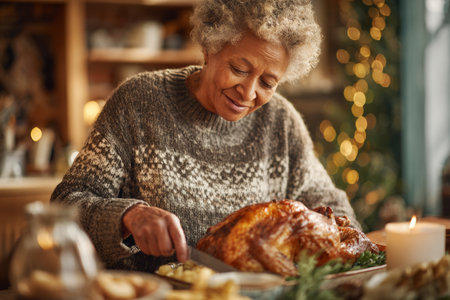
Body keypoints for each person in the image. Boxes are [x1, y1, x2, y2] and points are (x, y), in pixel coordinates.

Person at [51, 0, 360, 272]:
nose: (249, 92)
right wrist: (128, 216)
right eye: (239, 68)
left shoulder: (281, 122)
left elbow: (335, 210)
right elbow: (64, 206)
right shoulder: (138, 102)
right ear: (209, 48)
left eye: (267, 82)